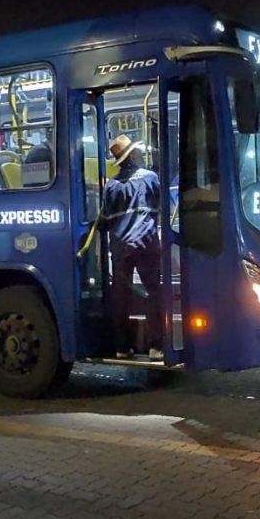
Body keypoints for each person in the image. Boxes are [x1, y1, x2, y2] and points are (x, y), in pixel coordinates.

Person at [102, 134, 163, 359]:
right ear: (134, 156)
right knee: (152, 293)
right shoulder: (150, 178)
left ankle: (121, 347)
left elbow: (107, 217)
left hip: (120, 247)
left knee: (121, 297)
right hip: (147, 243)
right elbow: (159, 207)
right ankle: (156, 346)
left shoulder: (111, 185)